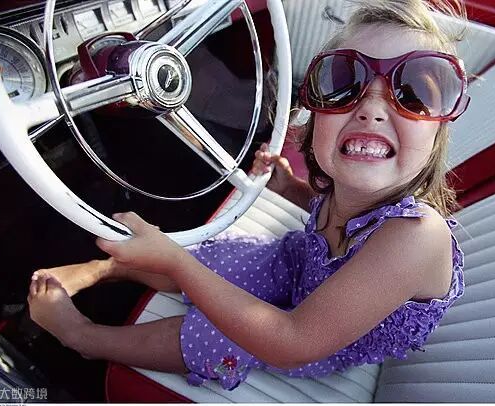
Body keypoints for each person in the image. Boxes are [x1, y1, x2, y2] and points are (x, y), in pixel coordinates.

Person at [28, 0, 469, 391]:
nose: (372, 108)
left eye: (413, 93)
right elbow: (327, 211)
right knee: (218, 260)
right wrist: (288, 187)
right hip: (300, 266)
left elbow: (292, 342)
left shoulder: (416, 238)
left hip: (319, 335)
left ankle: (83, 338)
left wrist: (175, 261)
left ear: (438, 136)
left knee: (218, 335)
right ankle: (105, 269)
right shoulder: (348, 188)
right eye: (342, 82)